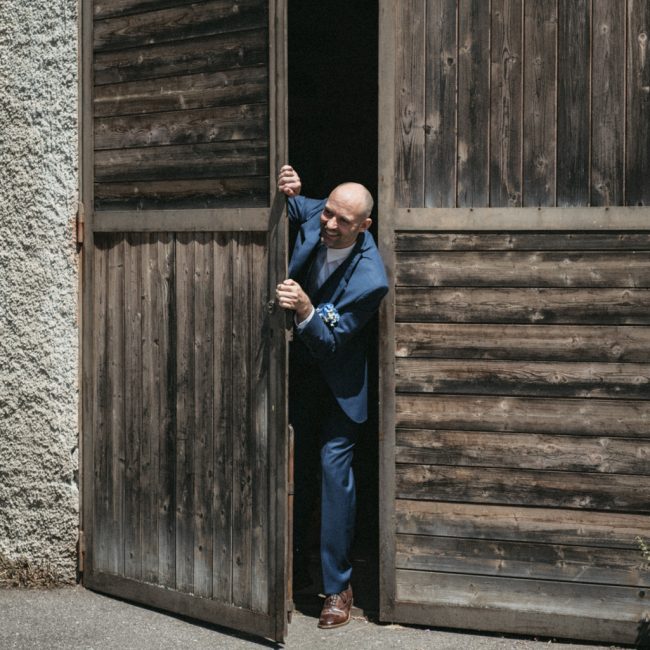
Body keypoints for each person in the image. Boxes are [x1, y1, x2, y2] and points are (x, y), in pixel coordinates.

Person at [276, 165, 388, 629]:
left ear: (364, 227)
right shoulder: (317, 214)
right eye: (327, 214)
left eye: (342, 221)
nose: (328, 225)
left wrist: (304, 307)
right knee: (292, 465)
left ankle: (337, 586)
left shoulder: (369, 280)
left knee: (332, 471)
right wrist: (292, 189)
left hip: (342, 384)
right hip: (297, 374)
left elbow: (328, 341)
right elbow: (292, 205)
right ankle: (293, 572)